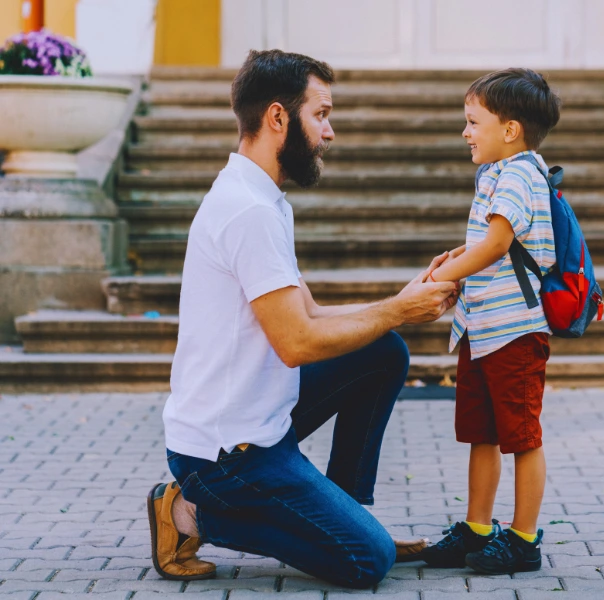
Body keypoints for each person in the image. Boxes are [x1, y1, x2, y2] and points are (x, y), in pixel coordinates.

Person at [146, 49, 458, 589]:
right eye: (321, 114)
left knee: (382, 352)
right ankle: (189, 513)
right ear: (277, 118)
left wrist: (401, 304)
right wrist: (398, 310)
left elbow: (308, 313)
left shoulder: (264, 200)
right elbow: (297, 343)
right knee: (367, 561)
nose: (330, 132)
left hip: (259, 421)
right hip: (224, 459)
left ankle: (347, 510)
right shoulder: (248, 211)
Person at [419, 68, 561, 574]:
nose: (465, 132)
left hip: (515, 331)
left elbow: (500, 243)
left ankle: (523, 541)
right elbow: (493, 241)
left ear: (510, 129)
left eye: (473, 121)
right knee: (482, 432)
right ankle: (478, 528)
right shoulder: (497, 173)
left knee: (521, 436)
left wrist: (440, 282)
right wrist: (456, 257)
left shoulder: (522, 171)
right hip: (482, 329)